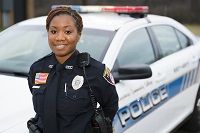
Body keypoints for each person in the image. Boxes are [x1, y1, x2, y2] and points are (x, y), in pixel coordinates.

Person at [27, 6, 119, 133]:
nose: (59, 37)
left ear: (79, 34)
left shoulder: (94, 71)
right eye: (53, 31)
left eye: (67, 32)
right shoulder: (37, 69)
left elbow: (110, 105)